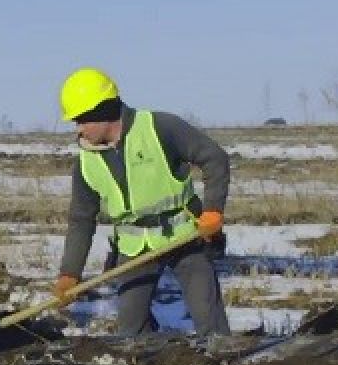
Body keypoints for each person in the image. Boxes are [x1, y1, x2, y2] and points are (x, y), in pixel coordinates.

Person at [53, 67, 231, 336]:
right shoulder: (86, 161)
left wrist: (213, 211)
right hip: (135, 247)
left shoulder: (159, 127)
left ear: (102, 112)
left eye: (81, 120)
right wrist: (70, 273)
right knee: (131, 330)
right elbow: (81, 219)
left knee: (210, 320)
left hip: (185, 236)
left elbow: (215, 158)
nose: (78, 129)